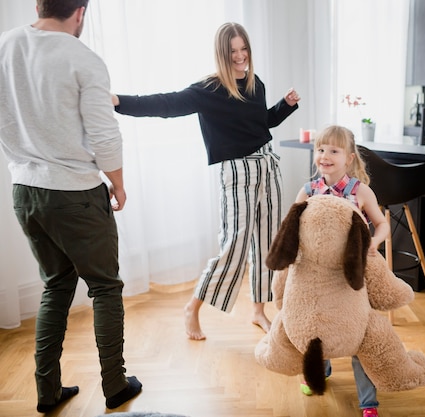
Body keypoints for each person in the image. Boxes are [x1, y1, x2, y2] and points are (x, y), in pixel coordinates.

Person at [112, 22, 300, 340]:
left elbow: (260, 124)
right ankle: (193, 308)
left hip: (268, 168)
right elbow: (165, 104)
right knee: (234, 247)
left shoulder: (257, 84)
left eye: (244, 50)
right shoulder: (209, 89)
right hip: (237, 173)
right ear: (222, 54)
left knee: (267, 243)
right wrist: (120, 101)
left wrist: (285, 106)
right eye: (233, 52)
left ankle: (258, 310)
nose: (240, 57)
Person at [0, 0, 142, 412]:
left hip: (25, 190)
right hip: (75, 194)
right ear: (80, 12)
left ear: (39, 5)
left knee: (55, 285)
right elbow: (104, 135)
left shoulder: (5, 46)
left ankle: (47, 393)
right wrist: (118, 185)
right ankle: (115, 386)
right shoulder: (83, 58)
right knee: (105, 287)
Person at [294, 125, 388, 417]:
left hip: (352, 277)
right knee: (317, 327)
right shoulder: (308, 190)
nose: (325, 155)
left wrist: (374, 242)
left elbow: (382, 223)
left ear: (349, 158)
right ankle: (317, 374)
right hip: (318, 277)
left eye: (333, 150)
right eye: (320, 149)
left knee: (360, 335)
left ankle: (368, 402)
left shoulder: (360, 191)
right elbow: (293, 227)